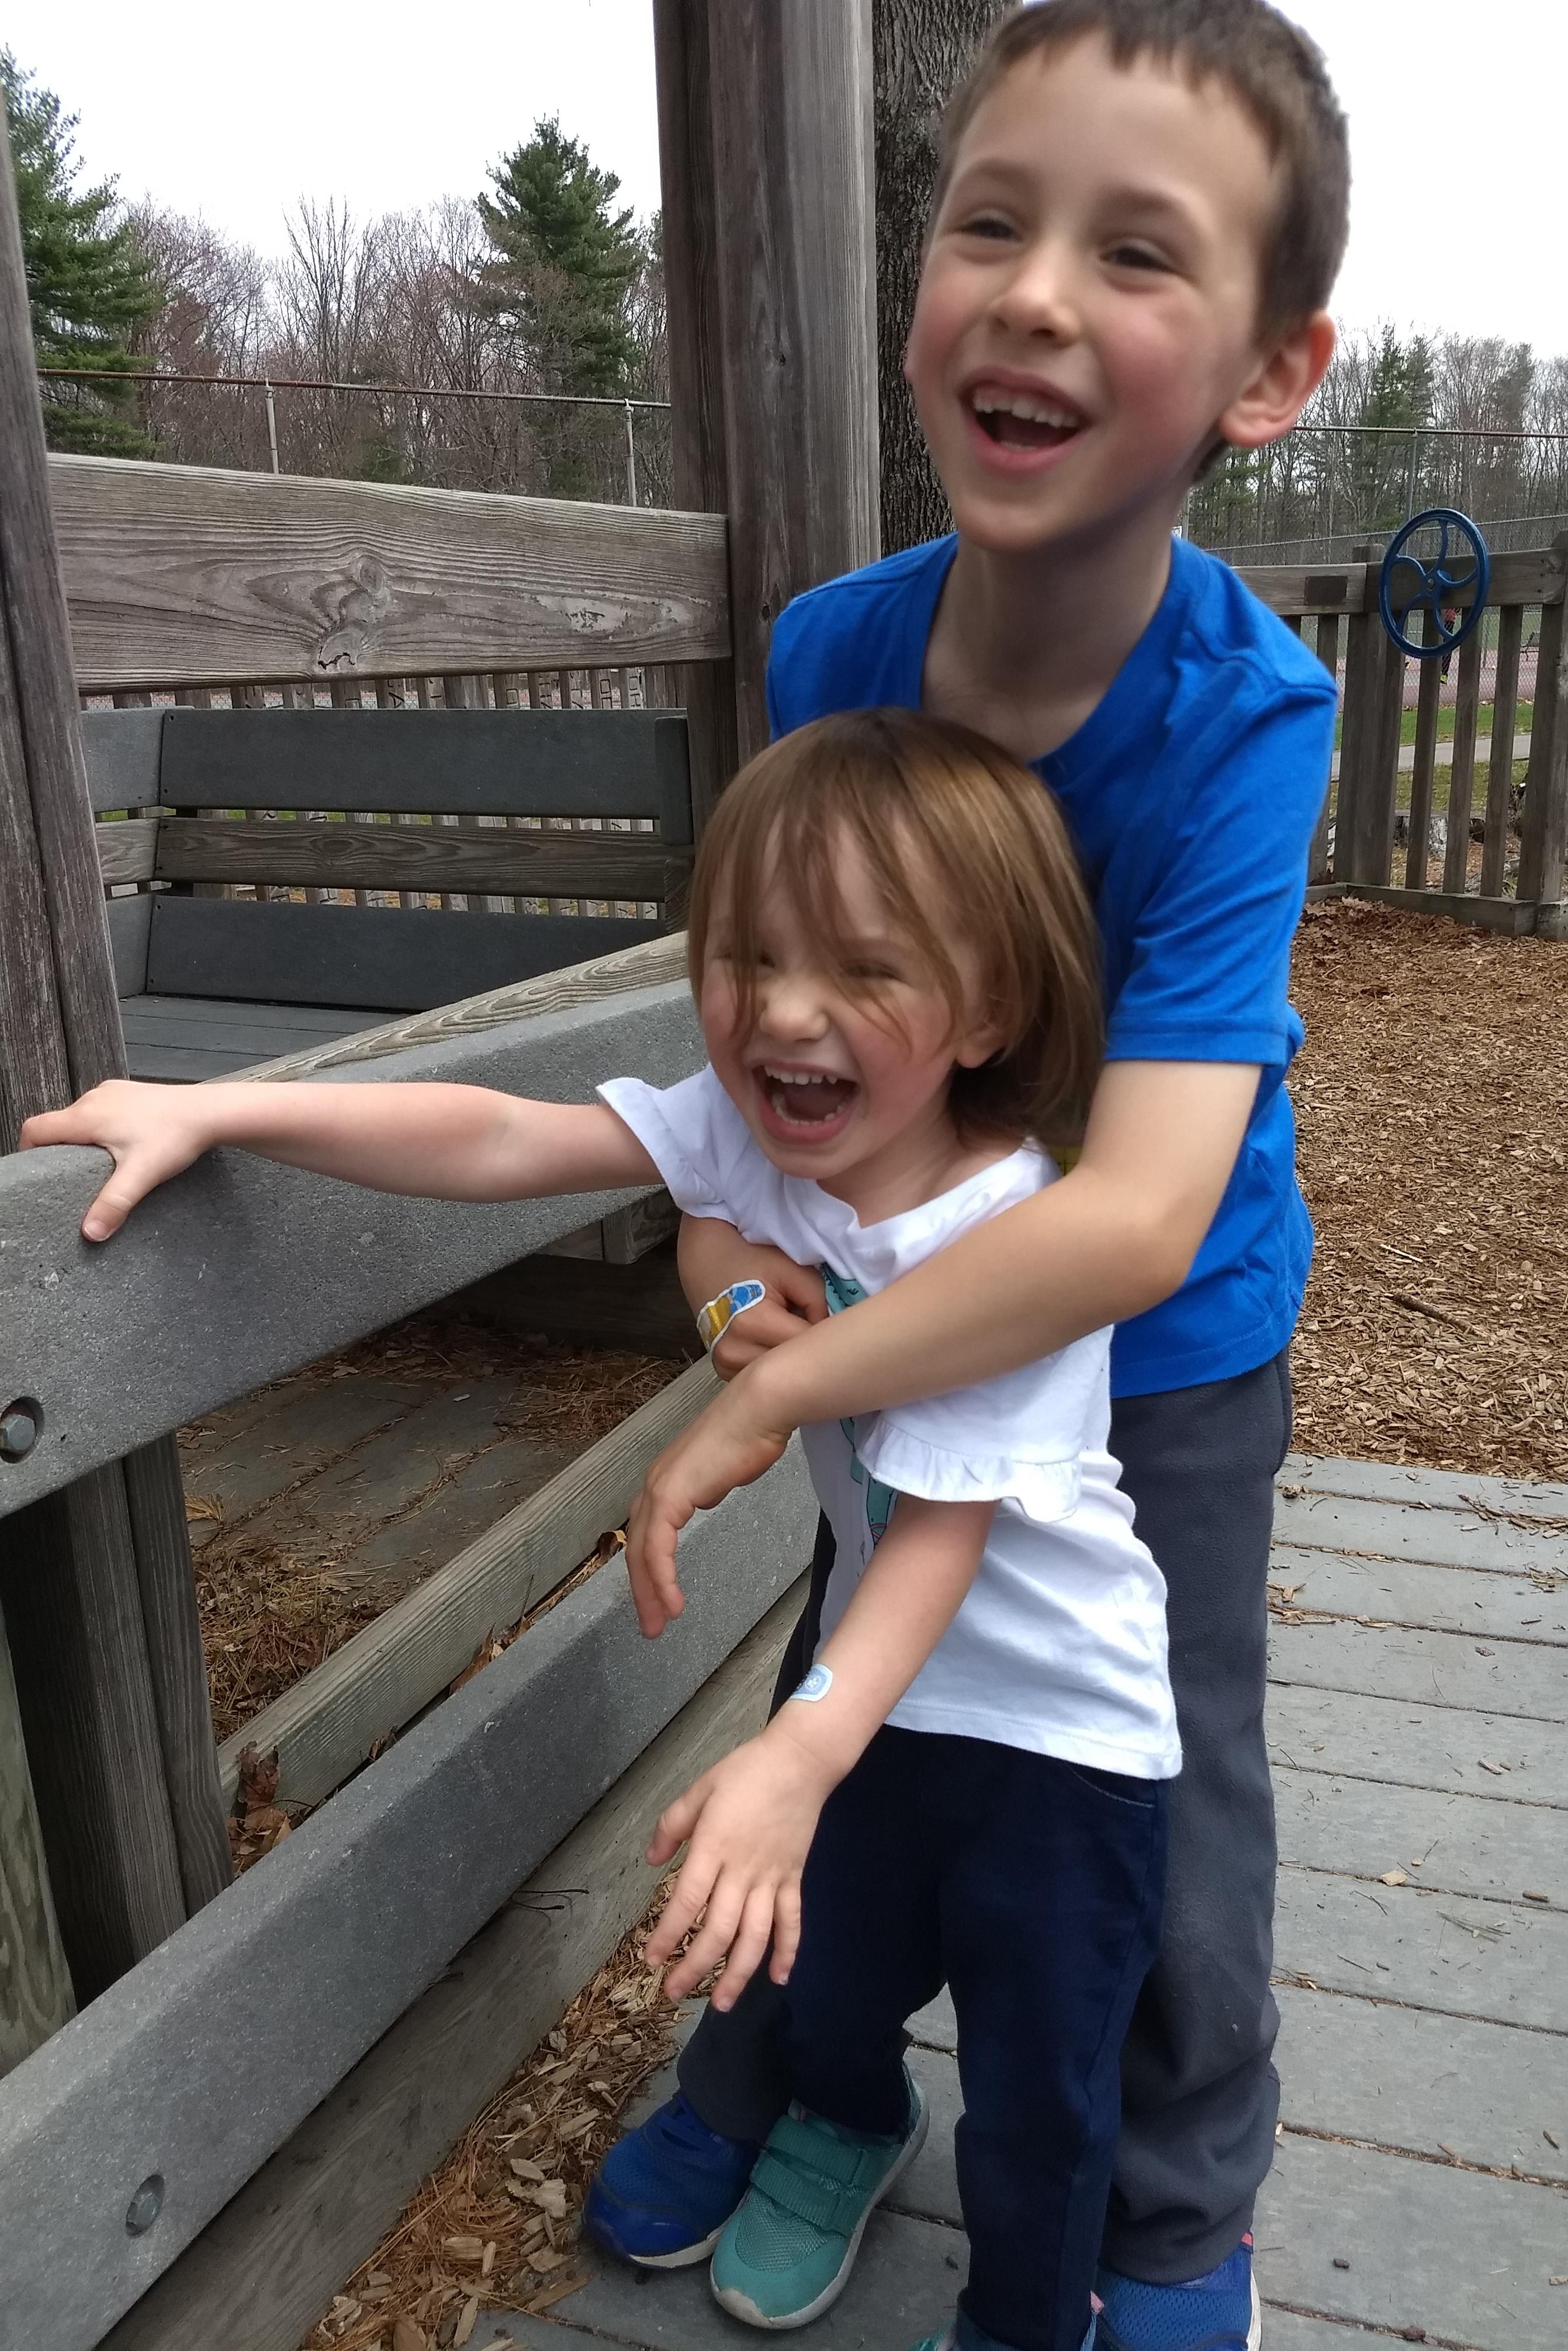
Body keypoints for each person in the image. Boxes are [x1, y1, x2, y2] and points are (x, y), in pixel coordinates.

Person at [27, 710, 1175, 2351]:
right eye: (749, 955)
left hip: (1059, 1737)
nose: (785, 1010)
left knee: (1043, 2073)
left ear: (988, 1009)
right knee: (824, 1972)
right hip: (876, 1700)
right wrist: (227, 1110)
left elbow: (940, 1535)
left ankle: (1026, 2319)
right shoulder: (768, 1128)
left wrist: (797, 1750)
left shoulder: (1012, 1243)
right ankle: (846, 2125)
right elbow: (508, 1136)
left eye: (865, 969)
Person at [588, 6, 1349, 2349]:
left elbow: (1128, 1216)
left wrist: (764, 1398)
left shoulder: (1242, 715)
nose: (1026, 293)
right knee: (859, 1702)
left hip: (1158, 1352)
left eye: (1133, 252)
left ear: (1266, 372)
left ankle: (1167, 2214)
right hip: (887, 1295)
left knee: (1159, 1799)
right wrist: (736, 1298)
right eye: (986, 222)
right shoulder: (832, 650)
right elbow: (758, 1070)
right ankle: (806, 2085)